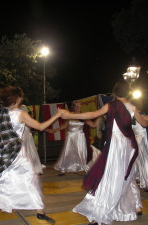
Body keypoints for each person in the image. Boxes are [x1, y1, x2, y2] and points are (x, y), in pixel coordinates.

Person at [0, 86, 64, 223]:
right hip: (16, 154)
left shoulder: (0, 113)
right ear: (18, 99)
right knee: (30, 179)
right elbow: (40, 127)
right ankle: (40, 211)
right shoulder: (20, 114)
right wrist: (57, 115)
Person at [61, 80, 142, 225]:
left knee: (110, 177)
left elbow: (91, 114)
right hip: (128, 146)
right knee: (123, 178)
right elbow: (144, 123)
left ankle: (102, 213)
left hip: (116, 146)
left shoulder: (111, 105)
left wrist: (69, 115)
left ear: (115, 93)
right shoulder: (133, 107)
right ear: (128, 92)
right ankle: (117, 209)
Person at [47, 100, 101, 176]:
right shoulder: (70, 115)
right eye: (76, 105)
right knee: (67, 152)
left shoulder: (83, 116)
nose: (78, 107)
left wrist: (99, 117)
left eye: (79, 105)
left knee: (81, 152)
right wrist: (55, 130)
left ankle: (85, 169)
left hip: (80, 137)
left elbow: (93, 125)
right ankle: (63, 169)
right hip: (70, 136)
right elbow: (65, 125)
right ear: (73, 107)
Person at [19, 104, 44, 175]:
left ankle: (33, 168)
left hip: (27, 134)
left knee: (30, 150)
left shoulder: (23, 111)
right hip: (22, 135)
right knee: (24, 151)